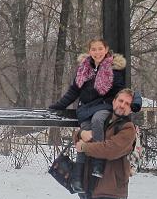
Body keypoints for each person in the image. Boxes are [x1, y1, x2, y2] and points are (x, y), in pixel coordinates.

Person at [48, 39, 126, 190]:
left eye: (100, 49)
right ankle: (77, 177)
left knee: (97, 120)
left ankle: (98, 162)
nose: (97, 52)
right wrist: (59, 105)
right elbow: (74, 91)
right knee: (84, 136)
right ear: (89, 51)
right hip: (85, 109)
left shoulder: (114, 68)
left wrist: (119, 107)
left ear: (106, 49)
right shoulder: (84, 68)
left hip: (104, 105)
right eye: (94, 49)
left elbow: (119, 91)